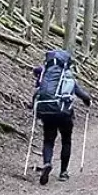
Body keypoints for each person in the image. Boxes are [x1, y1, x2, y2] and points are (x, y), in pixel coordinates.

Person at [32, 50, 92, 185]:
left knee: (48, 141)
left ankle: (47, 163)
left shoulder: (45, 75)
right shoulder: (68, 77)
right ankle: (63, 172)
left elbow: (37, 92)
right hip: (64, 114)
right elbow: (83, 96)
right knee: (66, 141)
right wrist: (88, 101)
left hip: (47, 111)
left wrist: (32, 106)